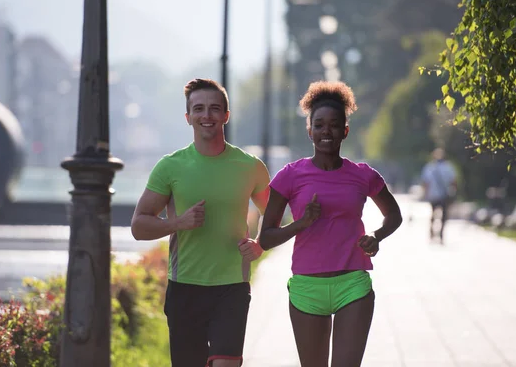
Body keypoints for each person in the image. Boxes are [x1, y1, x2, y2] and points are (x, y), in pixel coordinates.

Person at [258, 81, 403, 367]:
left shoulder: (363, 175)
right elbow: (265, 239)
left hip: (353, 284)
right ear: (309, 130)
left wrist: (377, 235)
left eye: (335, 125)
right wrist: (301, 224)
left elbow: (394, 215)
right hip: (306, 287)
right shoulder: (289, 176)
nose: (327, 131)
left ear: (345, 131)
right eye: (320, 125)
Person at [131, 78, 270, 367]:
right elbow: (139, 226)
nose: (206, 116)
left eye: (214, 109)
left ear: (226, 116)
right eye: (199, 109)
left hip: (232, 286)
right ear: (188, 117)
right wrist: (177, 223)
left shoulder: (250, 167)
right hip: (185, 289)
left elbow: (274, 213)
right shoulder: (170, 166)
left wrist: (260, 245)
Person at [420, 148, 457, 244]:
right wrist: (454, 192)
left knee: (433, 214)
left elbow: (425, 183)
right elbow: (453, 182)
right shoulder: (449, 167)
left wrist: (424, 194)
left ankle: (431, 232)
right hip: (444, 195)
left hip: (433, 195)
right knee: (443, 216)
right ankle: (441, 234)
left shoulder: (429, 167)